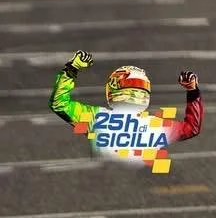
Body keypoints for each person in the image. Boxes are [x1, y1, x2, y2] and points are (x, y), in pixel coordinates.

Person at [50, 51, 203, 170]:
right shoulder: (155, 125)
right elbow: (192, 128)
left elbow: (59, 103)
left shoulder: (96, 117)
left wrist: (71, 69)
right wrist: (192, 91)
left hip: (98, 186)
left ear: (113, 87)